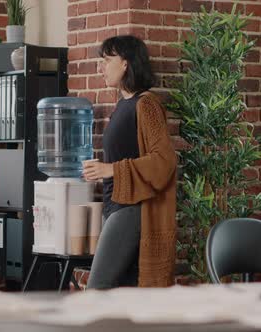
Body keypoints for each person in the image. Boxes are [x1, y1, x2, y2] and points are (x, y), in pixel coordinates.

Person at [83, 35, 177, 289]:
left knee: (96, 290)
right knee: (122, 294)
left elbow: (164, 160)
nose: (100, 67)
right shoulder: (123, 105)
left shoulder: (146, 105)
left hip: (132, 211)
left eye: (106, 60)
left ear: (125, 63)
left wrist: (110, 169)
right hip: (115, 207)